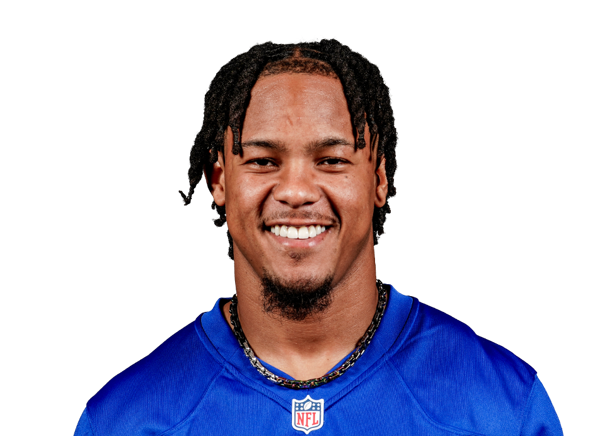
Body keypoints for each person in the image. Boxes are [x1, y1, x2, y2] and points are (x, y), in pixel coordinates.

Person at [74, 38, 562, 435]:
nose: (296, 192)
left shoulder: (504, 405)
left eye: (331, 160)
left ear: (378, 178)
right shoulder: (125, 420)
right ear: (219, 179)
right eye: (263, 160)